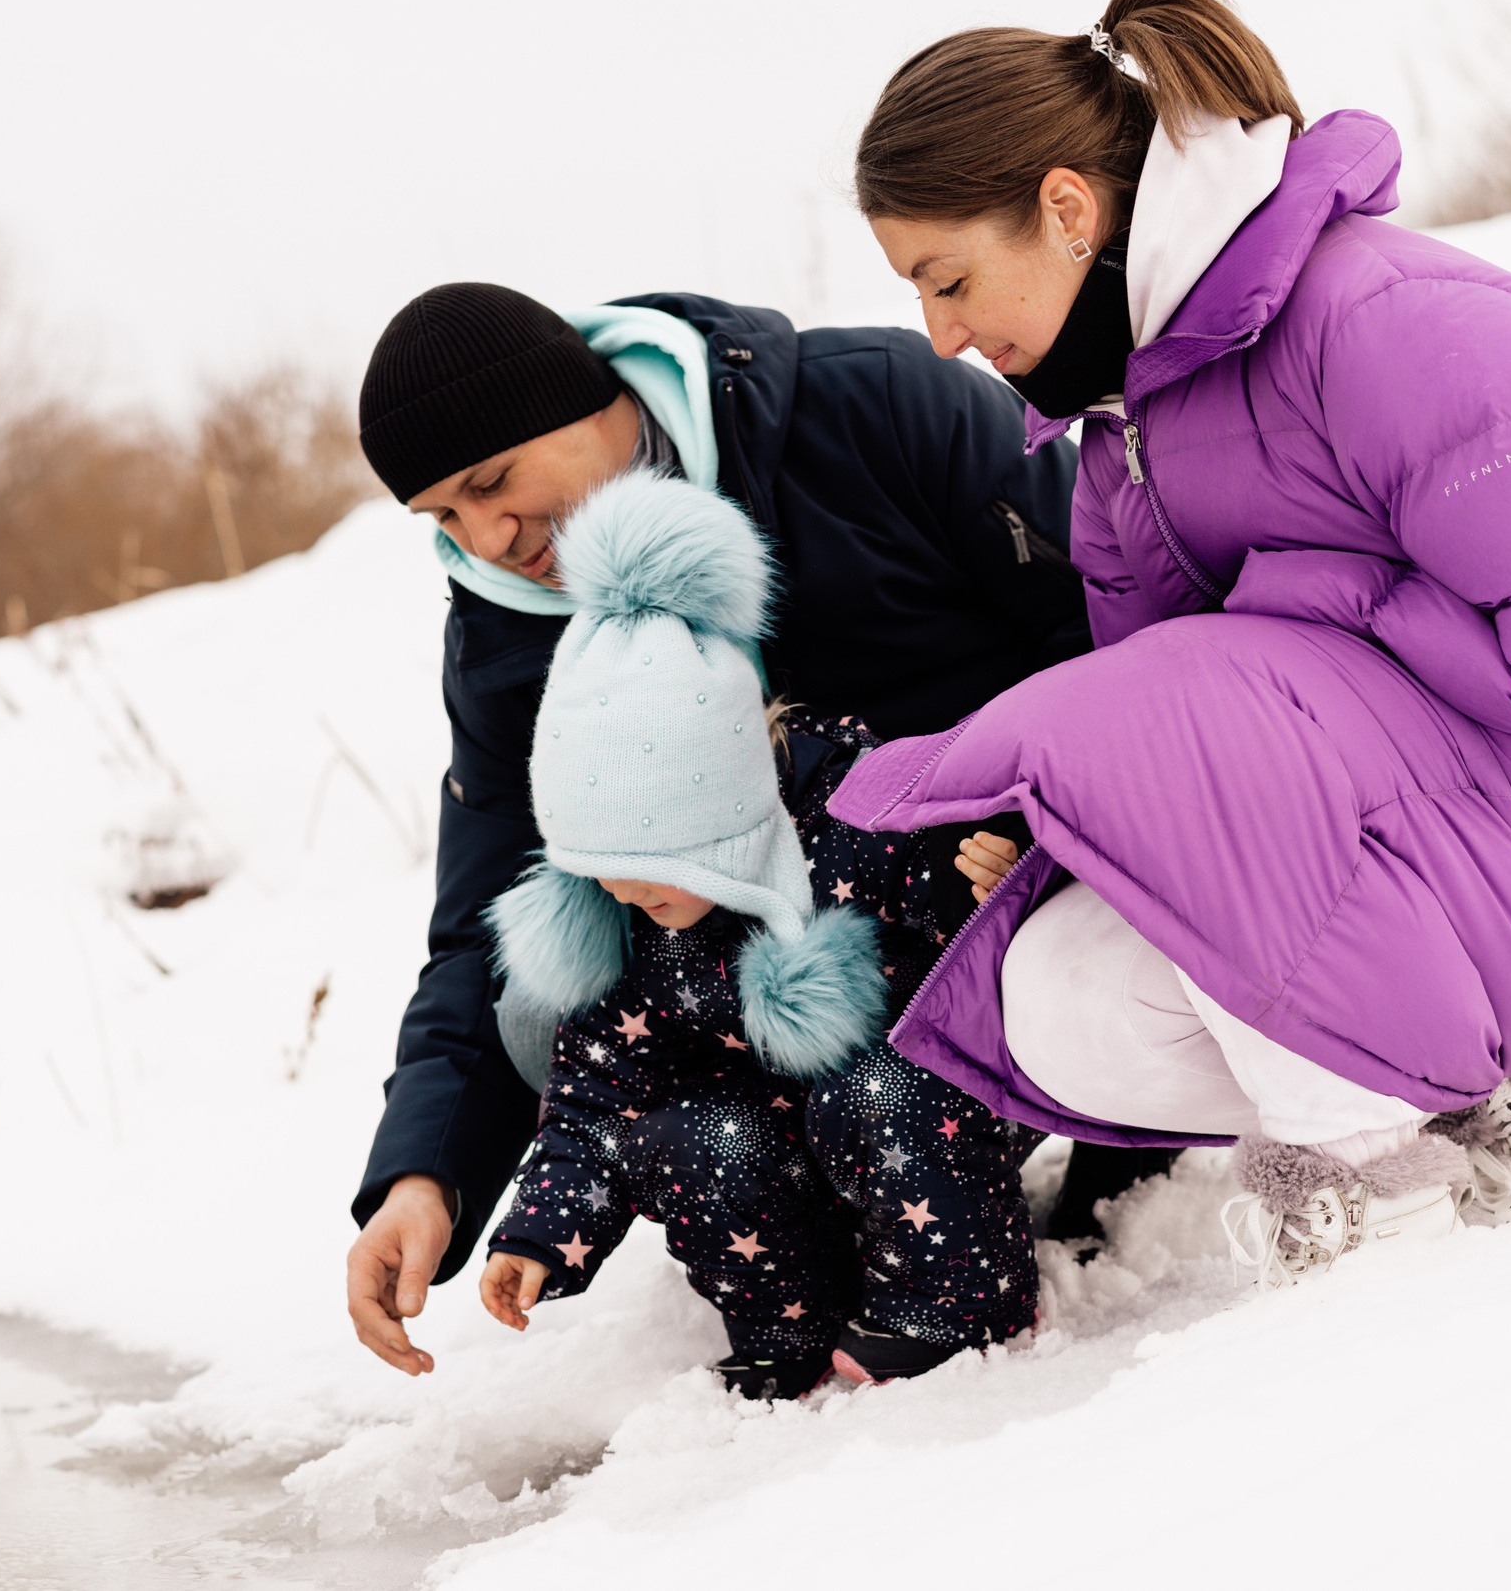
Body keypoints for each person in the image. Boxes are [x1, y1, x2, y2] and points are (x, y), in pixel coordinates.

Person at [829, 0, 1511, 1285]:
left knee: (1183, 715)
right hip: (1494, 813)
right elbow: (1203, 731)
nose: (940, 330)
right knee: (1060, 988)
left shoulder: (1379, 316)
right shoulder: (1129, 439)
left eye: (948, 276)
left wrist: (1313, 599)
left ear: (1066, 210)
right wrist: (1080, 826)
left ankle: (1381, 1203)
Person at [344, 283, 1145, 1376]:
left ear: (597, 401)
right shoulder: (499, 630)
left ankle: (1109, 1125)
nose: (487, 537)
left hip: (972, 874)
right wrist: (421, 1175)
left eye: (492, 481)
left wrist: (1023, 820)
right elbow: (477, 913)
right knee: (540, 997)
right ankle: (809, 1236)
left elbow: (1113, 615)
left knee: (1057, 922)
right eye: (442, 516)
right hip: (743, 983)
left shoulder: (868, 406)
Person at [471, 471, 1035, 1397]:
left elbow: (979, 933)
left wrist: (987, 881)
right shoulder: (619, 916)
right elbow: (594, 1099)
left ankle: (962, 1302)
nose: (621, 885)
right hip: (783, 1153)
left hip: (931, 1124)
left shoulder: (853, 827)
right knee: (694, 1137)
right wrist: (539, 1232)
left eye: (649, 853)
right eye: (594, 859)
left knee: (877, 1084)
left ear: (720, 804)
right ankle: (792, 1325)